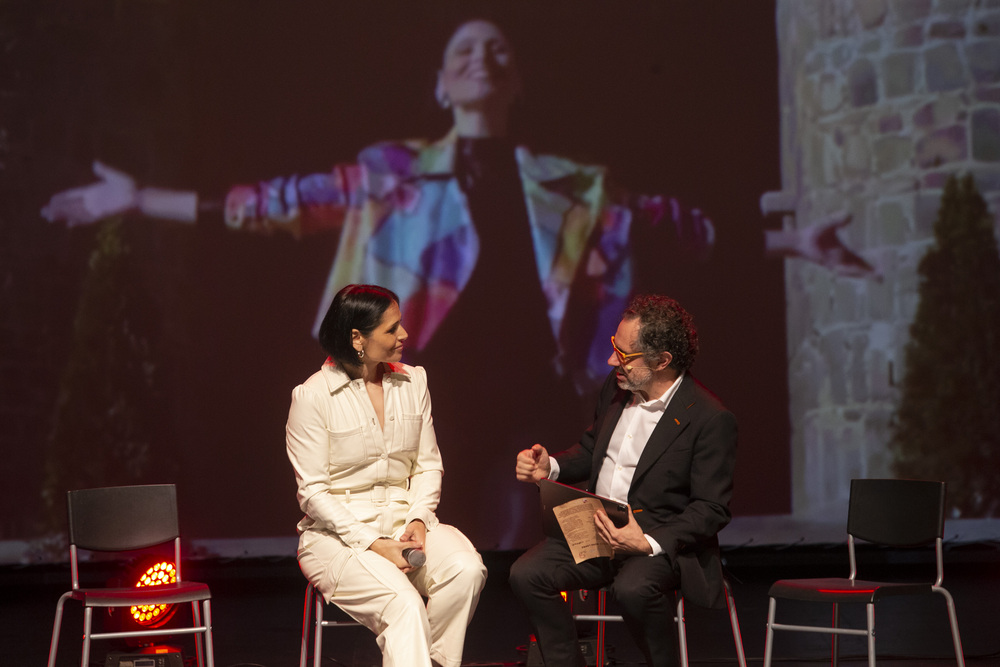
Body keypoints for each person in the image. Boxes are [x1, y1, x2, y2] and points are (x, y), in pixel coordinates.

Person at [39, 17, 865, 549]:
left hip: (527, 374)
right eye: (462, 47)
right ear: (441, 83)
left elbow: (671, 226)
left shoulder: (574, 184)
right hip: (418, 377)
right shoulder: (389, 174)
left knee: (522, 530)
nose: (482, 54)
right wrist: (140, 198)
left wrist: (791, 241)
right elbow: (272, 202)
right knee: (419, 530)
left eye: (497, 47)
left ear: (516, 81)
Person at [508, 294, 737, 667]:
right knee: (527, 573)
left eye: (625, 354)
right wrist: (548, 466)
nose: (612, 360)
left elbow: (711, 509)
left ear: (662, 361)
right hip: (597, 531)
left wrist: (647, 542)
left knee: (633, 589)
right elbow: (590, 450)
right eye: (614, 346)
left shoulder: (710, 419)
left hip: (656, 542)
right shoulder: (617, 388)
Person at [285, 283, 487, 667]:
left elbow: (427, 465)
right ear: (357, 338)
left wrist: (418, 520)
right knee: (404, 606)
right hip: (338, 539)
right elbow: (313, 493)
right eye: (392, 329)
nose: (405, 336)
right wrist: (373, 542)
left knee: (466, 570)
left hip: (405, 522)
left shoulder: (413, 381)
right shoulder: (312, 396)